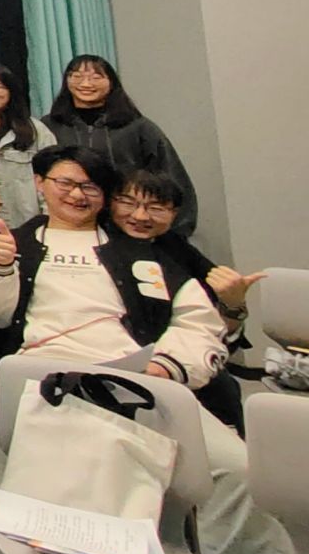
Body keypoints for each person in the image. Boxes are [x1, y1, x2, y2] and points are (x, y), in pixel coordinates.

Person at [0, 147, 300, 554]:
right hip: (43, 376)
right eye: (65, 183)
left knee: (239, 469)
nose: (77, 195)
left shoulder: (148, 253)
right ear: (41, 184)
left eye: (90, 187)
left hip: (141, 379)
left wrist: (168, 366)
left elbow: (200, 325)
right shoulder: (15, 243)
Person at [109, 170, 257, 432]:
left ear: (175, 213)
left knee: (222, 390)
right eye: (128, 203)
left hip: (178, 359)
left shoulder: (176, 249)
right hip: (115, 362)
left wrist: (234, 304)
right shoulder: (94, 243)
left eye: (156, 208)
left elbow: (218, 330)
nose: (140, 216)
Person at [43, 54, 202, 231]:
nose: (86, 84)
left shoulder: (138, 126)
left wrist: (178, 230)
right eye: (77, 76)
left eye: (96, 77)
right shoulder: (49, 126)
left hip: (129, 222)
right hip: (68, 222)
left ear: (112, 82)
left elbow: (171, 175)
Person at [0, 63, 56, 227]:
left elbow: (52, 179)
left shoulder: (36, 131)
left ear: (11, 90)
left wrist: (48, 221)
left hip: (25, 224)